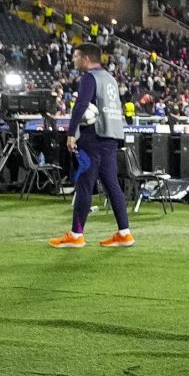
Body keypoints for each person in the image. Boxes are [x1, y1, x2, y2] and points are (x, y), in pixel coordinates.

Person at [51, 44, 134, 248]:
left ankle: (76, 235)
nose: (74, 60)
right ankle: (124, 233)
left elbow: (81, 105)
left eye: (76, 56)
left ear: (86, 58)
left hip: (92, 137)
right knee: (112, 185)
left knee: (84, 185)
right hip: (111, 137)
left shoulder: (90, 77)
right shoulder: (111, 79)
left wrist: (71, 133)